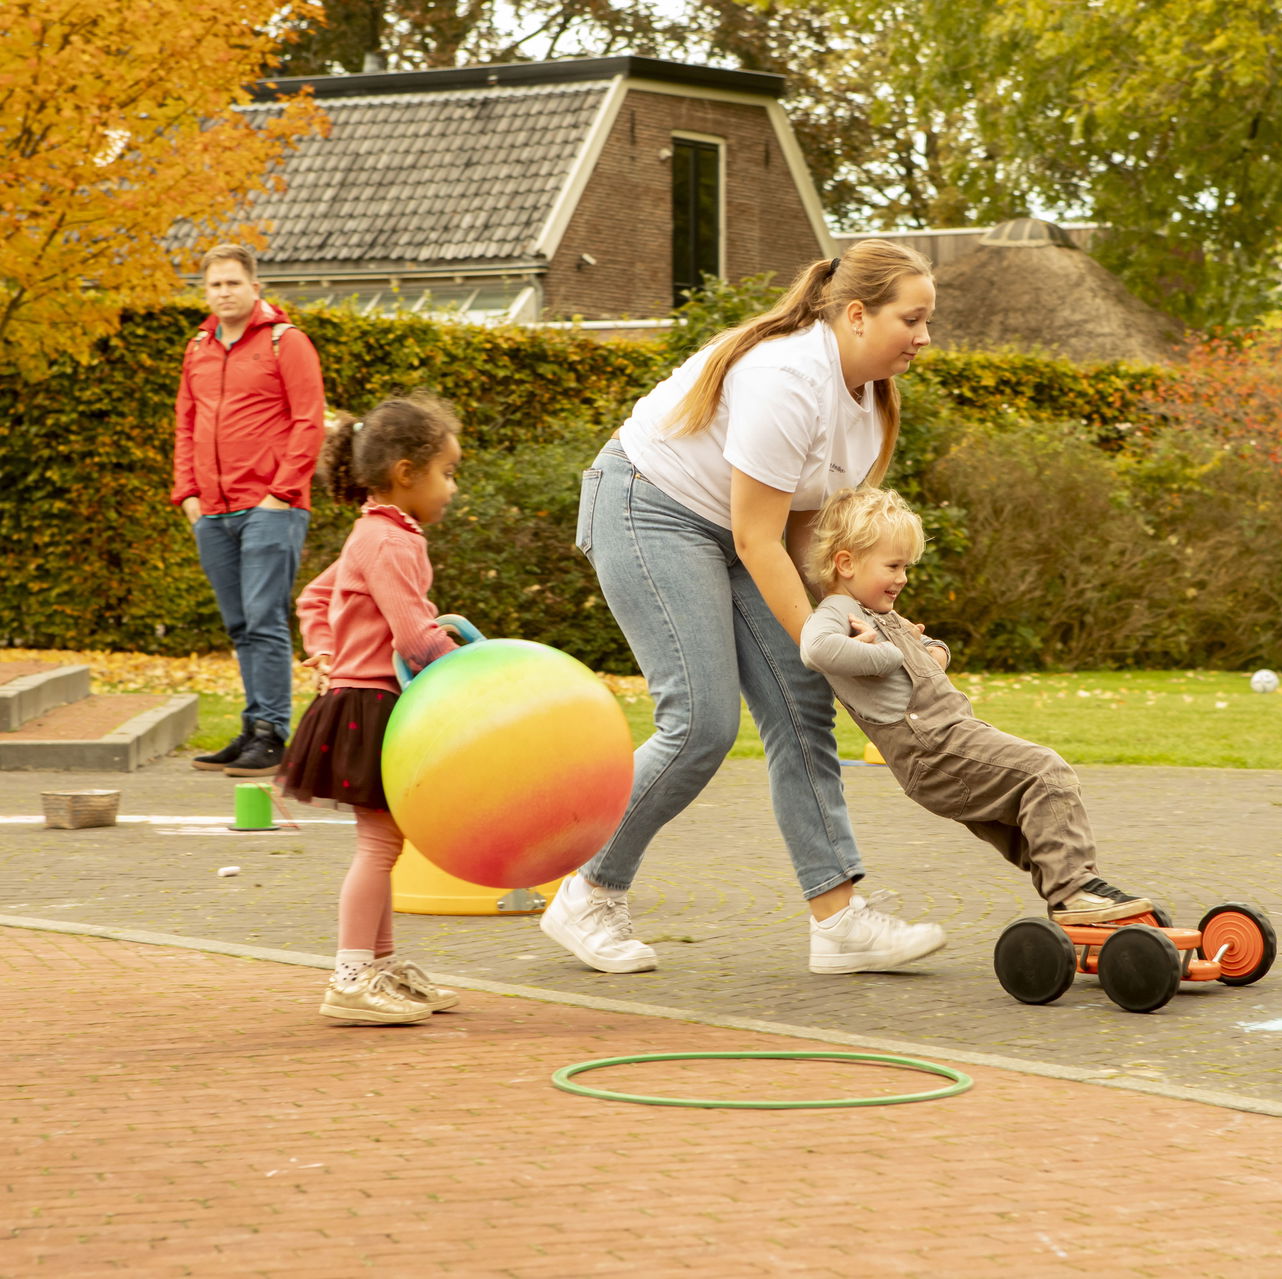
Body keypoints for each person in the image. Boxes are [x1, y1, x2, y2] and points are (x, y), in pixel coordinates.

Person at [542, 241, 947, 976]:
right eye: (911, 318)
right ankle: (588, 889)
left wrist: (858, 622)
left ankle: (840, 920)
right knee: (700, 720)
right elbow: (757, 536)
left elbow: (803, 529)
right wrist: (825, 642)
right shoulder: (788, 376)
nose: (924, 336)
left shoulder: (868, 400)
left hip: (736, 531)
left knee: (801, 705)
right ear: (856, 315)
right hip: (648, 507)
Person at [799, 487, 1154, 924]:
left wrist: (932, 653)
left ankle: (1084, 904)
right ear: (846, 563)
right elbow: (816, 650)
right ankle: (1074, 893)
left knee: (1029, 822)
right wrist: (889, 654)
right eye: (893, 566)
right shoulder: (837, 610)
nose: (903, 577)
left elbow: (931, 647)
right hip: (932, 749)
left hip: (952, 739)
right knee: (1046, 773)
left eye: (905, 567)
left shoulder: (880, 613)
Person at [279, 396, 465, 1025]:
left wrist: (326, 650)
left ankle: (379, 967)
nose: (453, 486)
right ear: (406, 473)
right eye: (447, 471)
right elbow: (415, 638)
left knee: (384, 842)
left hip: (362, 700)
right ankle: (352, 975)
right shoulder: (389, 541)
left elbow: (314, 595)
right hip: (372, 707)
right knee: (380, 846)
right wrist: (475, 680)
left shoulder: (377, 531)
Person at [173, 244, 328, 777]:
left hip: (271, 508)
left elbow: (310, 421)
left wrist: (278, 494)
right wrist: (188, 495)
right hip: (212, 511)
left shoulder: (288, 342)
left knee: (264, 620)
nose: (223, 293)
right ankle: (251, 726)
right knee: (240, 624)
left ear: (254, 287)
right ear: (207, 291)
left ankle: (271, 734)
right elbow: (186, 426)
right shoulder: (198, 348)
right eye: (214, 285)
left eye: (232, 283)